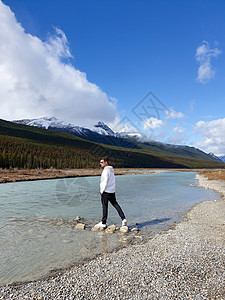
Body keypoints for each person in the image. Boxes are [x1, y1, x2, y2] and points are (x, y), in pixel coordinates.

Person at [95, 157, 127, 228]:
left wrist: (101, 191)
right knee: (115, 204)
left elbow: (105, 181)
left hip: (106, 191)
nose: (100, 164)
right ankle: (123, 219)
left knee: (104, 206)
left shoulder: (105, 171)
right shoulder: (111, 170)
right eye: (100, 162)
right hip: (112, 191)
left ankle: (103, 223)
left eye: (102, 162)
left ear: (106, 162)